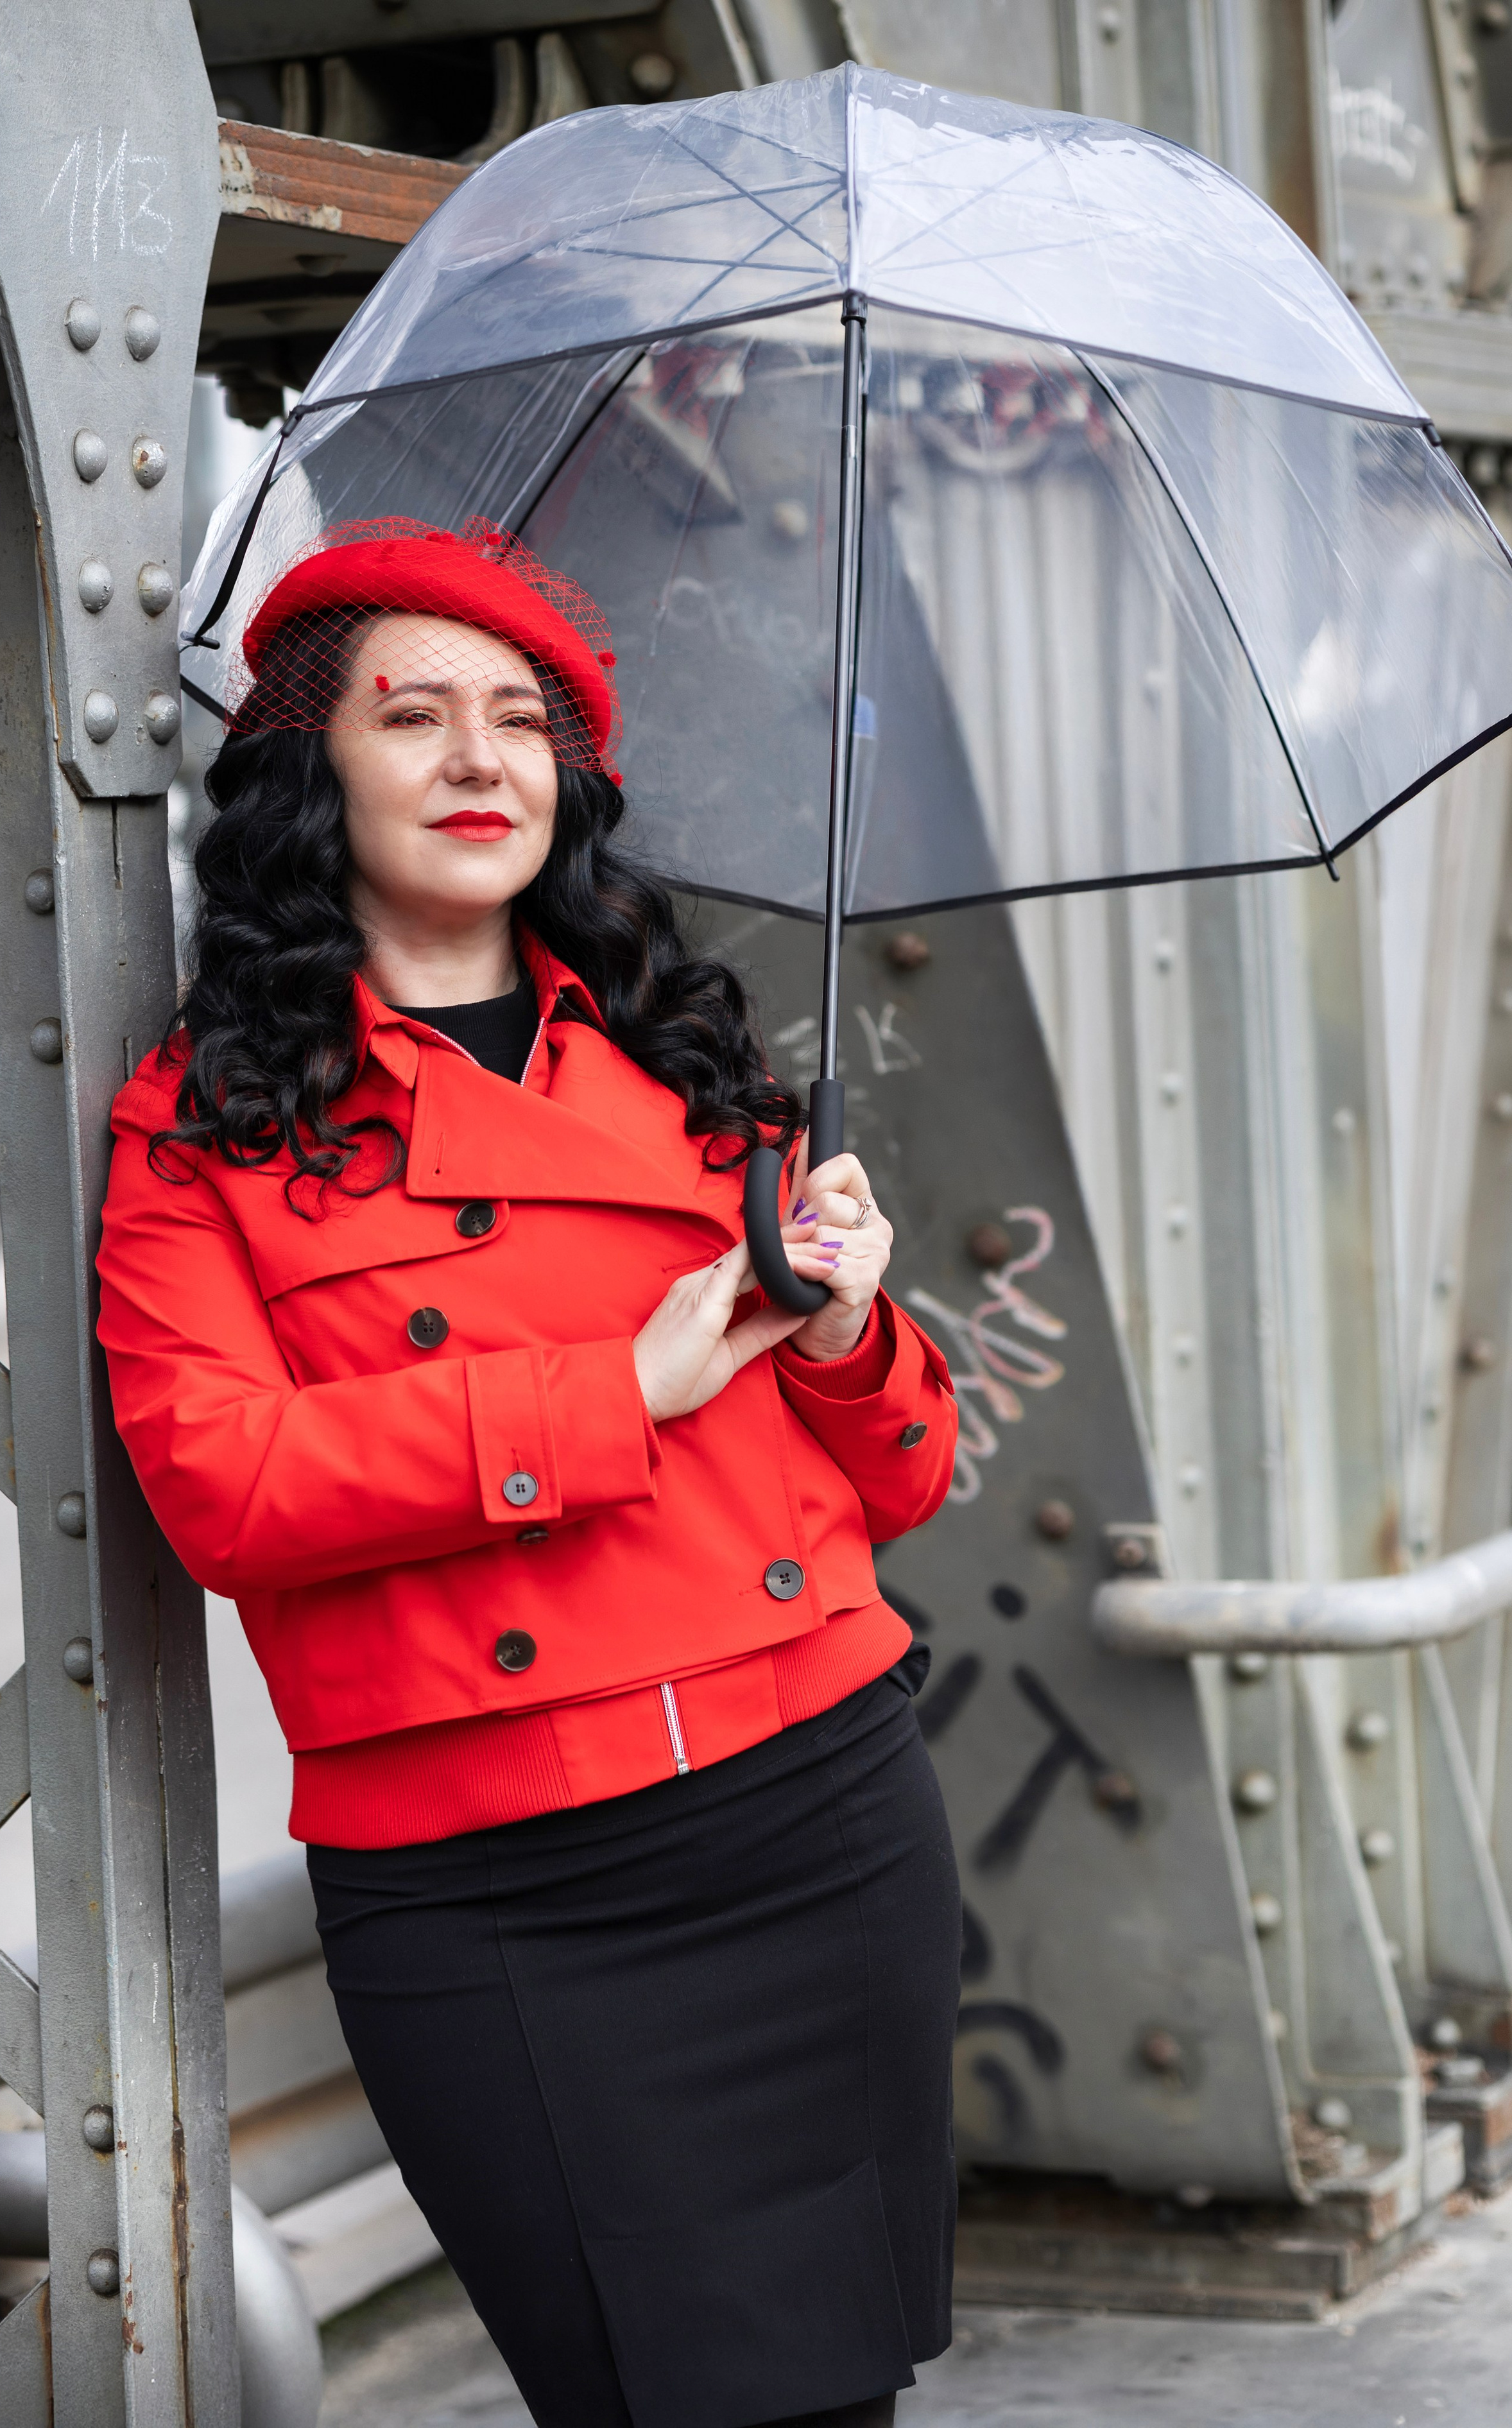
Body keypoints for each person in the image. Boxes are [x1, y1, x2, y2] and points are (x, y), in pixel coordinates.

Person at [96, 520, 963, 2428]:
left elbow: (898, 1484)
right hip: (500, 1891)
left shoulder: (685, 1058)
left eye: (523, 722)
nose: (483, 761)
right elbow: (222, 1491)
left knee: (840, 2401)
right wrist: (608, 1391)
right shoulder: (203, 1126)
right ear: (307, 766)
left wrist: (845, 1336)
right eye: (416, 716)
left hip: (818, 1811)